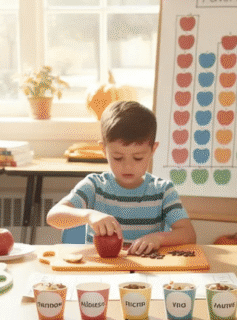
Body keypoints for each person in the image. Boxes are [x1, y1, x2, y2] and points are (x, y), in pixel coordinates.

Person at [46, 100, 196, 255]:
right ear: (104, 150)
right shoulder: (94, 186)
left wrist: (158, 238)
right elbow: (53, 216)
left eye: (138, 158)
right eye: (118, 157)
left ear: (153, 150)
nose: (128, 166)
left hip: (146, 271)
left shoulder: (163, 190)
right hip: (103, 271)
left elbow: (188, 234)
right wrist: (89, 215)